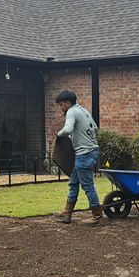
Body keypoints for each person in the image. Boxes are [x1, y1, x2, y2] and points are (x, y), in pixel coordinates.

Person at [52, 90, 103, 224]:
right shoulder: (83, 111)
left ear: (68, 104)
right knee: (74, 182)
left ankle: (96, 215)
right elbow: (95, 129)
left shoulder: (71, 112)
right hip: (90, 152)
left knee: (87, 185)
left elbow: (67, 129)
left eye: (61, 105)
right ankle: (66, 214)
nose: (60, 108)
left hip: (84, 154)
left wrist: (59, 134)